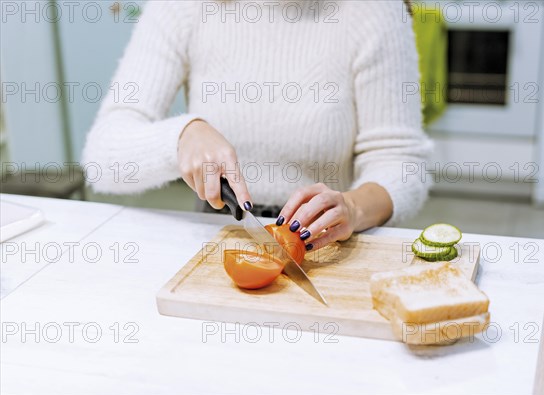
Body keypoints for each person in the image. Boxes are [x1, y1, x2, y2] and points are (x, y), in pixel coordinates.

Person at [83, 0, 432, 251]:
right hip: (217, 235)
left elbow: (401, 162)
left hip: (327, 243)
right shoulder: (182, 8)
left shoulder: (375, 10)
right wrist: (181, 136)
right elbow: (102, 157)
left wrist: (353, 208)